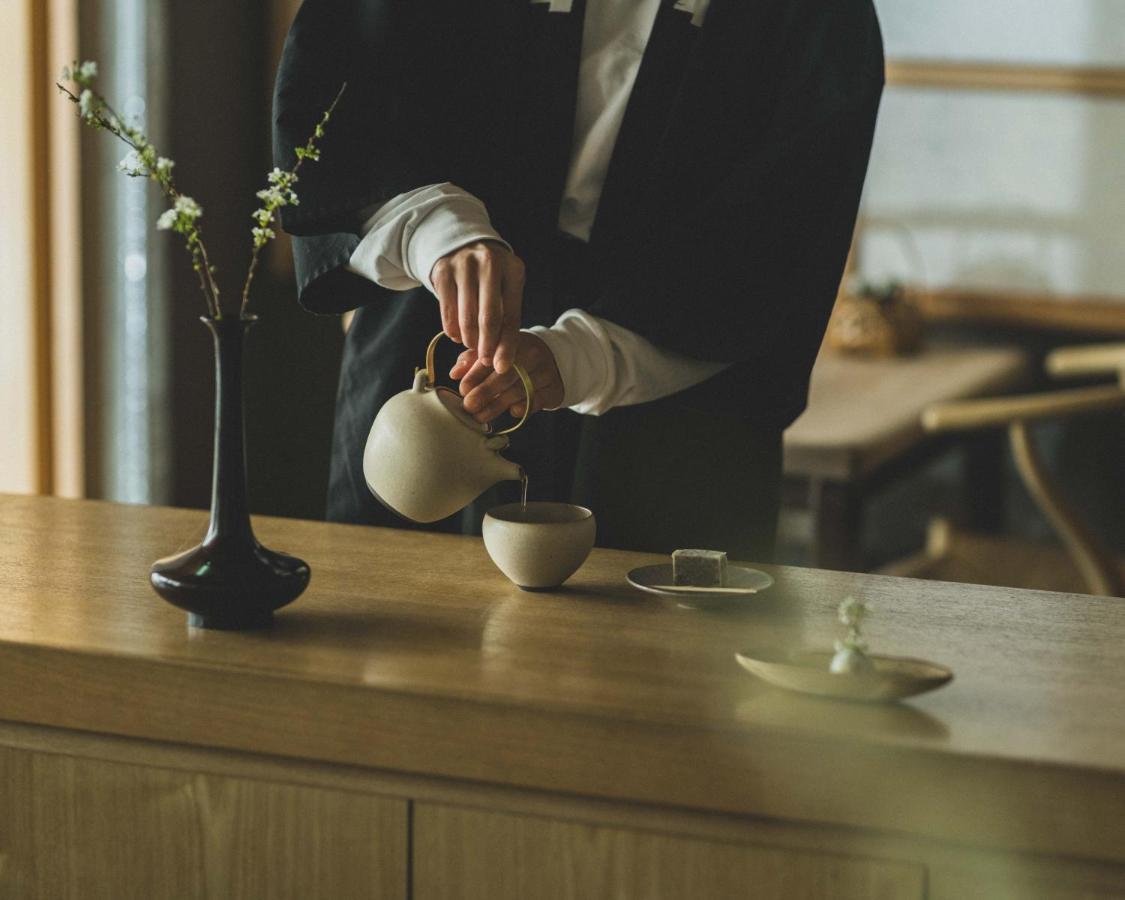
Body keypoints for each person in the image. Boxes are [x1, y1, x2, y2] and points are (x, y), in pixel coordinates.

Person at [273, 0, 884, 561]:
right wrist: (435, 228)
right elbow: (339, 79)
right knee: (393, 645)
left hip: (677, 396)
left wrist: (583, 354)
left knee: (653, 665)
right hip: (432, 336)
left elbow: (789, 212)